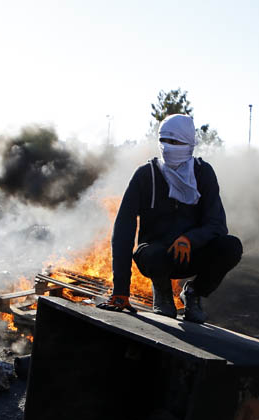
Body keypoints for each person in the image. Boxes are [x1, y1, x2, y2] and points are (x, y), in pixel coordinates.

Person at [98, 113, 242, 324]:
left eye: (175, 142)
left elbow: (217, 225)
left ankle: (193, 293)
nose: (168, 147)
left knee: (231, 246)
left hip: (192, 254)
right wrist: (121, 290)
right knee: (153, 252)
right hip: (155, 257)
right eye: (164, 141)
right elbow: (123, 231)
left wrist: (190, 239)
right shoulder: (146, 175)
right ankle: (163, 294)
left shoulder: (203, 174)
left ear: (189, 144)